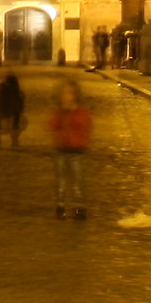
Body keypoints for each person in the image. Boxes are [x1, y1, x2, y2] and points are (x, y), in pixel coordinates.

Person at [49, 79, 92, 217]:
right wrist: (61, 114)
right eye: (65, 93)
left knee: (77, 181)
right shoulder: (59, 111)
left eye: (70, 93)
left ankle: (79, 207)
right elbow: (52, 126)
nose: (68, 96)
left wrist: (72, 113)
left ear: (76, 96)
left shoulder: (81, 112)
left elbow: (84, 127)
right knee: (61, 181)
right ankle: (60, 206)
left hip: (76, 151)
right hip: (61, 150)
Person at [0, 69, 26, 147]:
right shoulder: (19, 93)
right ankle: (14, 139)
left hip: (0, 117)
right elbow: (21, 108)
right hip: (14, 118)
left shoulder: (0, 88)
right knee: (21, 119)